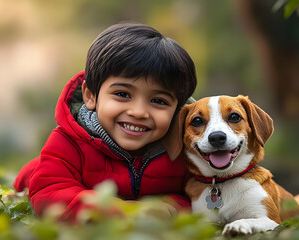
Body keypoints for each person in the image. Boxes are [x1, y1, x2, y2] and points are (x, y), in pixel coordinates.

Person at [13, 22, 197, 221]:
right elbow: (51, 192)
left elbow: (200, 192)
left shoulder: (186, 150)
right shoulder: (68, 141)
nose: (138, 112)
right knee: (34, 173)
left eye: (158, 101)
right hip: (46, 178)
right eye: (122, 94)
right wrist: (119, 210)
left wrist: (171, 207)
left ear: (178, 109)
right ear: (90, 96)